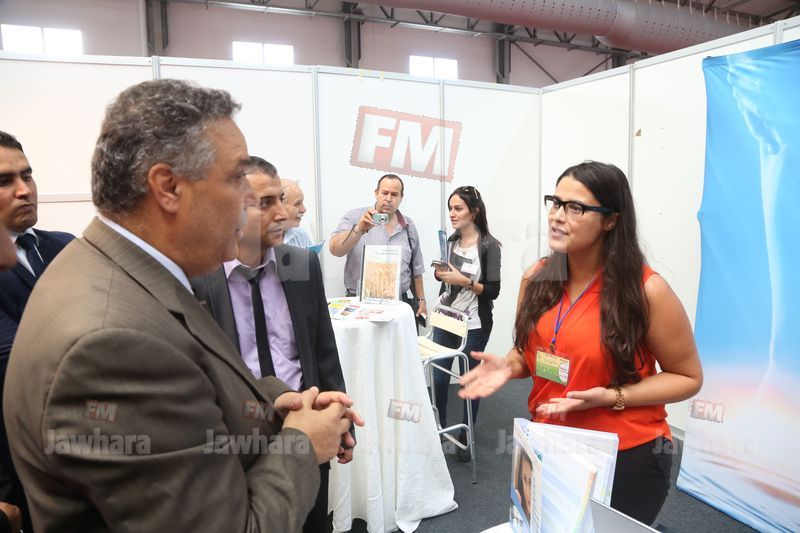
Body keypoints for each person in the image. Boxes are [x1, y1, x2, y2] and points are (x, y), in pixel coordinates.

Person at [2, 79, 361, 532]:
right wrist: (302, 445)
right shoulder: (113, 343)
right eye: (236, 180)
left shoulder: (125, 271)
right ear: (168, 187)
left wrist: (273, 402)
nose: (260, 208)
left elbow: (195, 390)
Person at [460, 161, 702, 525]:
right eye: (556, 203)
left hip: (623, 456)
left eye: (576, 208)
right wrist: (508, 366)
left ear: (611, 220)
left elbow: (687, 377)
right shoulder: (537, 278)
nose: (558, 216)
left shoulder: (645, 291)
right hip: (548, 446)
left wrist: (612, 396)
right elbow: (527, 353)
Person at [192, 156, 350, 533]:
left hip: (305, 424)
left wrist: (340, 420)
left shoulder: (302, 264)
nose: (282, 213)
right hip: (239, 436)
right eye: (265, 203)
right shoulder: (197, 279)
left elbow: (323, 352)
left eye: (281, 199)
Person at [0, 130, 75, 532]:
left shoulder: (67, 247)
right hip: (18, 469)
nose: (24, 190)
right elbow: (20, 360)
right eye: (5, 181)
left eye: (27, 175)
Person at [430, 185, 501, 462]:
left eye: (458, 208)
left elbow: (493, 291)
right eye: (451, 208)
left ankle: (465, 434)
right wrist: (441, 274)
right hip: (446, 318)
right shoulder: (451, 241)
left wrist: (466, 281)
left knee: (470, 380)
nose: (452, 213)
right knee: (438, 376)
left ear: (474, 211)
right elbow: (446, 278)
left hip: (474, 324)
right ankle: (440, 428)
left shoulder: (489, 246)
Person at [329, 174, 427, 322]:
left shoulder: (408, 226)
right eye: (384, 193)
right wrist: (359, 229)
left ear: (401, 197)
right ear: (376, 193)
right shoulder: (355, 217)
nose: (388, 199)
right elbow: (335, 250)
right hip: (360, 306)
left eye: (394, 194)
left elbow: (416, 270)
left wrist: (421, 300)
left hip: (398, 305)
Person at [280, 178, 315, 250]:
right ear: (279, 205)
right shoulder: (259, 240)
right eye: (297, 204)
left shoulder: (302, 235)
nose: (304, 209)